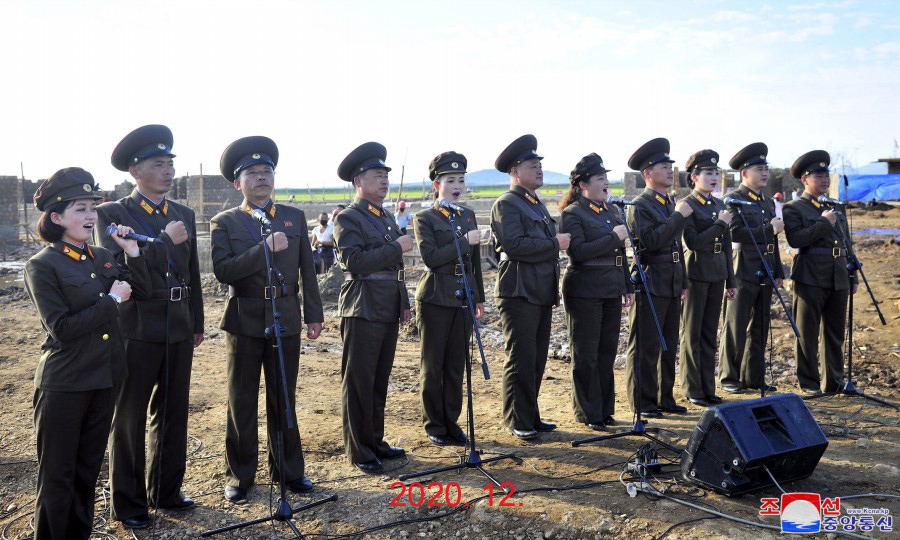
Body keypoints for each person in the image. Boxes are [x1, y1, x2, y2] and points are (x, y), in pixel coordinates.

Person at [26, 168, 149, 540]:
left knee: (87, 471)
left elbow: (138, 291)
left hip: (105, 377)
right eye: (80, 209)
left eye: (93, 207)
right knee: (57, 476)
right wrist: (112, 300)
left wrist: (133, 253)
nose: (90, 216)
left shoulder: (99, 255)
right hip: (65, 383)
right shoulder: (42, 265)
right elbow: (61, 328)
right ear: (56, 217)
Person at [96, 125, 204, 529]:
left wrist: (196, 320)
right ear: (135, 172)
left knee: (174, 410)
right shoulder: (112, 215)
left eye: (170, 163)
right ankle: (128, 503)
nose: (168, 171)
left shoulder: (184, 214)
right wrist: (161, 240)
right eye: (158, 164)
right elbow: (117, 271)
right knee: (129, 417)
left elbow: (191, 273)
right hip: (137, 326)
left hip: (178, 324)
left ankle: (167, 491)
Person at [210, 136, 324, 503]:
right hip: (244, 320)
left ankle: (290, 471)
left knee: (283, 399)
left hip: (286, 317)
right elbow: (223, 270)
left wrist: (314, 315)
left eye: (267, 171)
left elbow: (308, 269)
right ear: (236, 182)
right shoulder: (225, 222)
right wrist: (264, 249)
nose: (262, 178)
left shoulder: (292, 217)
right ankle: (240, 475)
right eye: (253, 173)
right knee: (241, 400)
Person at [334, 142, 412, 472]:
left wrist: (404, 302)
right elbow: (354, 261)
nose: (383, 180)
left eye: (385, 175)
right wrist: (396, 246)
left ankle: (375, 440)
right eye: (376, 175)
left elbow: (396, 270)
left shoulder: (385, 217)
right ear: (358, 182)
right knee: (359, 381)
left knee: (379, 380)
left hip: (386, 304)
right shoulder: (348, 217)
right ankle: (359, 450)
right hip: (362, 305)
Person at [490, 134, 569, 440]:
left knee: (536, 358)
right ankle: (516, 418)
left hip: (538, 290)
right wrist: (554, 244)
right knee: (520, 357)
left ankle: (530, 414)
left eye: (539, 164)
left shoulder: (534, 203)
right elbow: (515, 245)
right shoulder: (507, 204)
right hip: (519, 290)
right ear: (515, 171)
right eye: (532, 165)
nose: (539, 169)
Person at [413, 151, 484, 446]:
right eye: (450, 180)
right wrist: (463, 242)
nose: (457, 185)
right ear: (436, 185)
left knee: (456, 364)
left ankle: (452, 421)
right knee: (434, 364)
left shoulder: (467, 215)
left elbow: (475, 262)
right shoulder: (424, 218)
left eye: (461, 180)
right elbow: (430, 258)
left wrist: (478, 295)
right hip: (435, 297)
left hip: (463, 296)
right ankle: (434, 424)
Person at [559, 153, 633, 430]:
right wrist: (614, 236)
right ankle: (588, 412)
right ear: (582, 185)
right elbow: (578, 252)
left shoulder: (611, 210)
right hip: (585, 287)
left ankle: (604, 408)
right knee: (586, 353)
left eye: (606, 177)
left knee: (606, 351)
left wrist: (627, 285)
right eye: (600, 178)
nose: (606, 182)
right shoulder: (572, 214)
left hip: (611, 286)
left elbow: (620, 255)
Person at [624, 138, 690, 418]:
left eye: (671, 166)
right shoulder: (641, 206)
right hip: (652, 281)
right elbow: (652, 242)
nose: (670, 170)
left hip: (672, 279)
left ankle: (665, 397)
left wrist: (683, 280)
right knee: (646, 345)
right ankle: (644, 401)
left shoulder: (667, 203)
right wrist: (677, 218)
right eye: (664, 166)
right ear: (648, 173)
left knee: (668, 344)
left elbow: (676, 247)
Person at [783, 150, 858, 395]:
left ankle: (833, 382)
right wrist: (824, 223)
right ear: (805, 180)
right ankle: (809, 383)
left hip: (838, 276)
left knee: (835, 334)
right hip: (810, 276)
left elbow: (846, 244)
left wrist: (852, 275)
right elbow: (796, 239)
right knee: (807, 332)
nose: (824, 180)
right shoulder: (794, 208)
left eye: (826, 175)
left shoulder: (835, 207)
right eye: (818, 176)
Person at [718, 142, 784, 394]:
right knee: (736, 323)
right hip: (743, 266)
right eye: (759, 169)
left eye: (766, 168)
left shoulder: (767, 201)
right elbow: (734, 232)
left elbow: (773, 240)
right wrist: (769, 229)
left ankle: (753, 376)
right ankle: (729, 377)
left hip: (765, 265)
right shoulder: (733, 199)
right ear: (745, 173)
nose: (764, 173)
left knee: (760, 324)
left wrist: (778, 269)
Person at [678, 150, 736, 407]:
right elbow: (692, 242)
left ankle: (707, 387)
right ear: (694, 176)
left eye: (716, 173)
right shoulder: (688, 205)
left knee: (709, 332)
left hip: (717, 273)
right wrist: (720, 225)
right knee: (692, 332)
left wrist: (731, 281)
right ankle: (693, 388)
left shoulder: (718, 205)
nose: (714, 177)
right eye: (708, 173)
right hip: (696, 273)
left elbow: (726, 246)